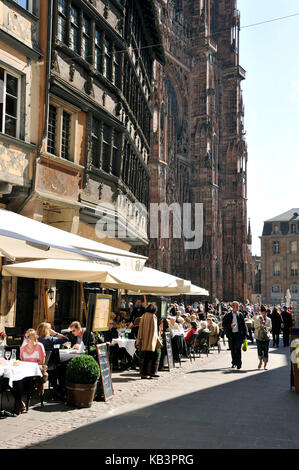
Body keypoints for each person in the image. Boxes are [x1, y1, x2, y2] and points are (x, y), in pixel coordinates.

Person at [11, 329, 47, 414]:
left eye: (28, 337)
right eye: (25, 337)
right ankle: (19, 403)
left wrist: (31, 365)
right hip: (25, 370)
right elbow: (22, 361)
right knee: (13, 379)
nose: (26, 339)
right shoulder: (23, 348)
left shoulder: (39, 346)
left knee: (19, 381)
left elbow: (42, 362)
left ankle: (18, 405)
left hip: (35, 370)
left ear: (34, 337)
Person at [136, 303, 160, 379]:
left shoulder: (144, 315)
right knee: (151, 356)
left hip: (145, 339)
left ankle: (149, 373)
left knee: (147, 356)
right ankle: (146, 373)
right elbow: (154, 330)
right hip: (151, 340)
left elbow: (141, 328)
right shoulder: (153, 316)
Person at [222, 301, 247, 369]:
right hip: (231, 334)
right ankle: (234, 362)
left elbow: (244, 325)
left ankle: (239, 363)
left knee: (238, 349)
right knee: (233, 349)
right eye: (236, 306)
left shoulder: (240, 314)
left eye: (238, 306)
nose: (237, 308)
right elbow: (223, 324)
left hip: (239, 335)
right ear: (232, 307)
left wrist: (245, 335)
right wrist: (230, 326)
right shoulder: (228, 315)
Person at [254, 305, 272, 370]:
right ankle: (260, 361)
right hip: (259, 336)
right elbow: (255, 326)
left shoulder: (269, 319)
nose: (264, 314)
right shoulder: (257, 318)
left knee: (266, 350)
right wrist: (260, 325)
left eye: (265, 312)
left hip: (266, 337)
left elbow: (270, 327)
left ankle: (265, 364)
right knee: (259, 350)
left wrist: (265, 327)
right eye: (263, 312)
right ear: (261, 312)